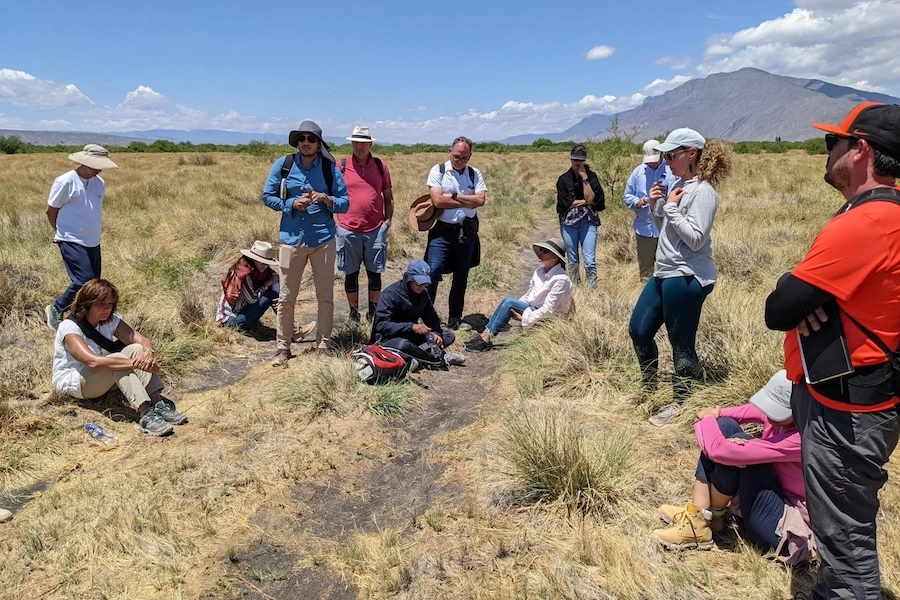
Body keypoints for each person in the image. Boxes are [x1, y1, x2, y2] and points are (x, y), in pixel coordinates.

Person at [764, 102, 900, 600]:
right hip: (866, 398)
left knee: (846, 539)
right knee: (844, 524)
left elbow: (779, 307)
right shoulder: (888, 214)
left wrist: (802, 296)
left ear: (861, 149)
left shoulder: (866, 224)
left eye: (833, 143)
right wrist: (808, 296)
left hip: (844, 411)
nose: (828, 153)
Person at [653, 371, 815, 564]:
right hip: (771, 498)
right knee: (725, 426)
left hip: (786, 528)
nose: (770, 414)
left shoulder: (802, 438)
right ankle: (702, 517)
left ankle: (701, 522)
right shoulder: (779, 417)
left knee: (737, 447)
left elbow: (718, 449)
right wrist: (707, 419)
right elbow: (717, 417)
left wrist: (706, 421)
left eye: (778, 410)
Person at [628, 129, 732, 426]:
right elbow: (667, 231)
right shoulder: (678, 184)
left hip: (687, 276)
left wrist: (671, 208)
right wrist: (656, 205)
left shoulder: (703, 192)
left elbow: (696, 239)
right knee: (639, 329)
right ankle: (648, 389)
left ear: (692, 154)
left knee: (681, 343)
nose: (667, 160)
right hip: (665, 271)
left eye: (672, 155)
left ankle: (682, 401)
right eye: (665, 155)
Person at [51, 279, 187, 437]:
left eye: (110, 304)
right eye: (101, 304)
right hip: (77, 383)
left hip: (104, 377)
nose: (106, 309)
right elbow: (92, 362)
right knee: (115, 360)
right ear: (86, 304)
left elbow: (141, 341)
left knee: (137, 349)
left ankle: (157, 403)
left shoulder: (109, 320)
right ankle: (145, 414)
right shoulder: (69, 327)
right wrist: (135, 364)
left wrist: (148, 354)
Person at [263, 120, 349, 365]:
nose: (306, 143)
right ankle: (283, 347)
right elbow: (267, 196)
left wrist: (325, 198)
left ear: (319, 143)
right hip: (291, 239)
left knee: (325, 295)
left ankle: (323, 344)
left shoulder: (329, 169)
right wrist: (291, 204)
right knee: (287, 296)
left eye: (311, 139)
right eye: (302, 138)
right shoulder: (284, 165)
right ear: (297, 141)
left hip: (322, 238)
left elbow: (345, 202)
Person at [44, 144, 118, 331]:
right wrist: (61, 233)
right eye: (95, 165)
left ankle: (80, 317)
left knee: (93, 285)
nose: (99, 170)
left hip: (93, 240)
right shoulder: (65, 181)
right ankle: (56, 308)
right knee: (83, 280)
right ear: (84, 163)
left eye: (101, 166)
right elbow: (51, 211)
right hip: (71, 238)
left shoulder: (99, 183)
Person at [424, 136, 488, 331]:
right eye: (456, 156)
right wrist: (469, 200)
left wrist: (452, 196)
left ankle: (455, 317)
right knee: (432, 272)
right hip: (442, 231)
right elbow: (437, 201)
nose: (459, 161)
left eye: (464, 158)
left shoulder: (474, 174)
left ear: (470, 157)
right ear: (450, 151)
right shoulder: (438, 171)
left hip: (467, 231)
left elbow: (481, 200)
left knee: (461, 276)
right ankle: (427, 317)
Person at [465, 237, 573, 352]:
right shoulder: (539, 272)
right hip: (534, 309)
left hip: (550, 318)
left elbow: (549, 309)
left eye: (545, 251)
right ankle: (485, 334)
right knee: (507, 302)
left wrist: (525, 318)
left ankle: (486, 338)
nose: (541, 253)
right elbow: (529, 296)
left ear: (555, 258)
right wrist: (517, 307)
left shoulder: (561, 279)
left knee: (508, 302)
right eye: (541, 249)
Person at [336, 126, 394, 323]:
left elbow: (388, 196)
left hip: (375, 229)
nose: (359, 147)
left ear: (370, 144)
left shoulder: (380, 166)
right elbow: (332, 195)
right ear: (351, 143)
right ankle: (353, 313)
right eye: (355, 142)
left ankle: (373, 312)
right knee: (350, 273)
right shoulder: (341, 165)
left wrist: (387, 221)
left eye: (363, 143)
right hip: (348, 228)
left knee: (374, 272)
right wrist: (338, 224)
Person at [371, 260, 466, 367]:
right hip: (389, 339)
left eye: (424, 283)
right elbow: (381, 326)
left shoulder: (423, 294)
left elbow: (432, 318)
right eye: (418, 282)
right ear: (409, 278)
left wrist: (436, 334)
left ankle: (415, 358)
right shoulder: (390, 295)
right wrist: (411, 327)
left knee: (448, 335)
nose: (421, 286)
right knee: (403, 345)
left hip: (412, 337)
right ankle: (437, 359)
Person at [623, 140, 675, 279]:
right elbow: (627, 195)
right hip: (644, 228)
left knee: (667, 269)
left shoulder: (672, 170)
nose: (651, 163)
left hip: (667, 228)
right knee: (645, 272)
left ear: (662, 154)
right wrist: (636, 202)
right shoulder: (638, 172)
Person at [555, 145, 605, 288]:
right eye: (575, 160)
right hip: (569, 224)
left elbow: (595, 199)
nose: (578, 163)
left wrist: (585, 180)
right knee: (573, 258)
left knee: (589, 259)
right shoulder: (564, 179)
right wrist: (586, 202)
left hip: (588, 222)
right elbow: (566, 202)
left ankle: (592, 292)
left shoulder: (592, 177)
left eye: (581, 160)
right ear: (570, 160)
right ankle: (575, 289)